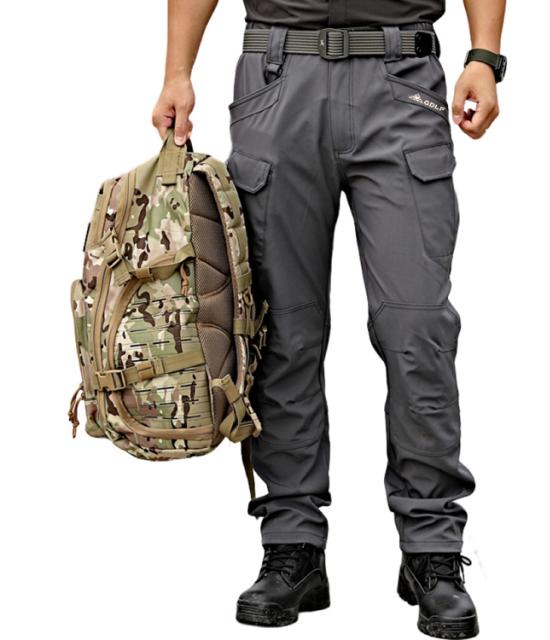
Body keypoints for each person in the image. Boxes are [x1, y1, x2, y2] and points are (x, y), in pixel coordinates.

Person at [153, 1, 506, 637]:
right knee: (281, 327)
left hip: (401, 77)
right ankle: (292, 543)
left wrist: (484, 55)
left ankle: (431, 548)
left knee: (417, 327)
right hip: (277, 75)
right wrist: (177, 71)